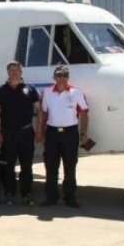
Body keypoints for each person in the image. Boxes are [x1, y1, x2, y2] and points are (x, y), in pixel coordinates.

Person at [36, 65, 89, 208]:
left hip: (70, 133)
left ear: (68, 77)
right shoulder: (47, 92)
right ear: (54, 78)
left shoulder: (76, 92)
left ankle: (70, 197)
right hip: (52, 133)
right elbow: (44, 113)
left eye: (65, 75)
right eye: (59, 75)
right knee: (51, 166)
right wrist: (40, 133)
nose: (62, 78)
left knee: (70, 166)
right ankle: (51, 197)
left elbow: (84, 113)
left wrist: (83, 133)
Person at [0, 61, 41, 206]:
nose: (14, 72)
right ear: (8, 72)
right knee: (8, 165)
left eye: (17, 70)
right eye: (12, 70)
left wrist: (38, 132)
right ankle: (9, 193)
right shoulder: (1, 90)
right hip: (8, 133)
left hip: (26, 132)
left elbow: (39, 110)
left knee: (26, 165)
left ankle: (27, 193)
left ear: (21, 72)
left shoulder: (30, 89)